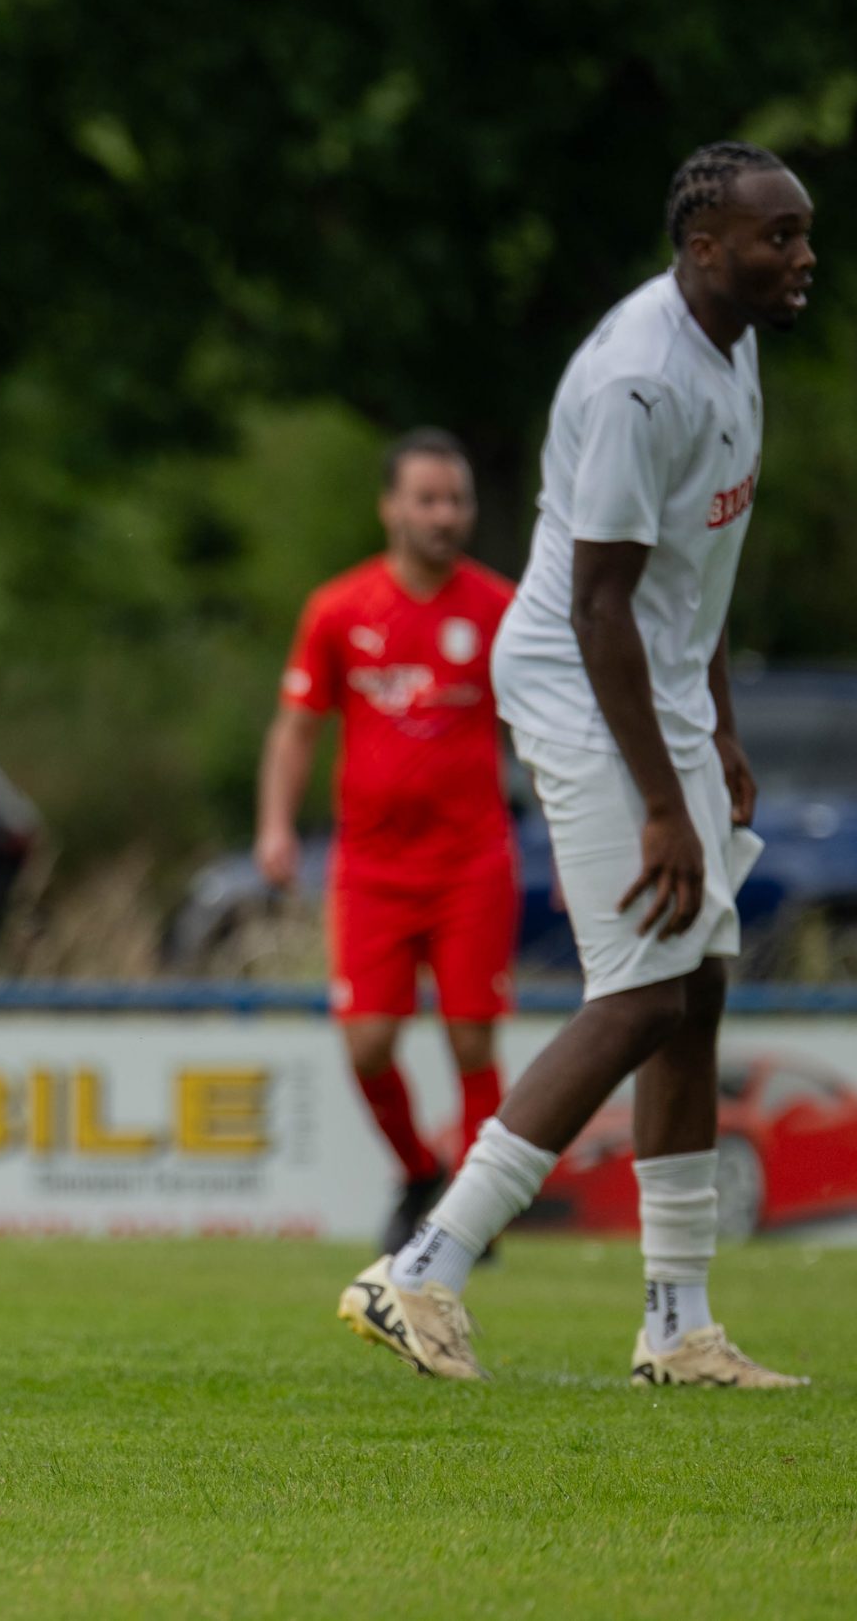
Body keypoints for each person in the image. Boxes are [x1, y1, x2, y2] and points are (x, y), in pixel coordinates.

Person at [338, 142, 814, 1387]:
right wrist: (663, 802)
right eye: (778, 237)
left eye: (803, 233)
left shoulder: (732, 342)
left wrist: (717, 726)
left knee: (694, 987)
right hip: (578, 681)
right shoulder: (638, 378)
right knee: (642, 992)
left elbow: (693, 576)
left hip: (654, 687)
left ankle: (676, 1326)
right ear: (703, 248)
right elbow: (599, 606)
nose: (802, 257)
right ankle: (420, 1264)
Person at [258, 431, 518, 1256]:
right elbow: (297, 727)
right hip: (371, 867)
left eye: (457, 500)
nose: (445, 516)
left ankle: (473, 1211)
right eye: (428, 499)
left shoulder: (500, 609)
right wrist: (275, 826)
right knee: (368, 1043)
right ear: (390, 508)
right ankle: (416, 1171)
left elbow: (545, 722)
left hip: (471, 860)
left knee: (471, 1036)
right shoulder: (340, 609)